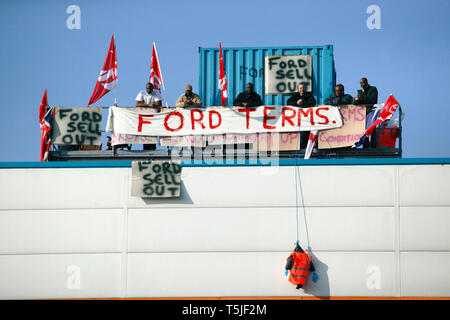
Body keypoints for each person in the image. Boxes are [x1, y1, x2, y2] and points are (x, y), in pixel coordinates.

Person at [287, 83, 317, 149]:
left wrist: (303, 102)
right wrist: (296, 103)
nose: (302, 89)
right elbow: (288, 102)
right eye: (300, 88)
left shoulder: (308, 95)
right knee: (297, 131)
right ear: (298, 89)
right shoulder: (295, 95)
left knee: (307, 131)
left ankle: (306, 145)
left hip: (307, 117)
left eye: (303, 88)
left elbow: (313, 102)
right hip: (297, 117)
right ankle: (297, 146)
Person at [135, 82, 162, 150]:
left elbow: (158, 103)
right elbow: (137, 104)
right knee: (145, 134)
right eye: (147, 88)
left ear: (153, 88)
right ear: (145, 88)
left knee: (153, 132)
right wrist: (149, 105)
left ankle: (153, 147)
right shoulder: (142, 93)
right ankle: (146, 149)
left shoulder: (156, 93)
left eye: (150, 88)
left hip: (153, 117)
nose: (148, 90)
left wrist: (144, 104)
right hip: (144, 118)